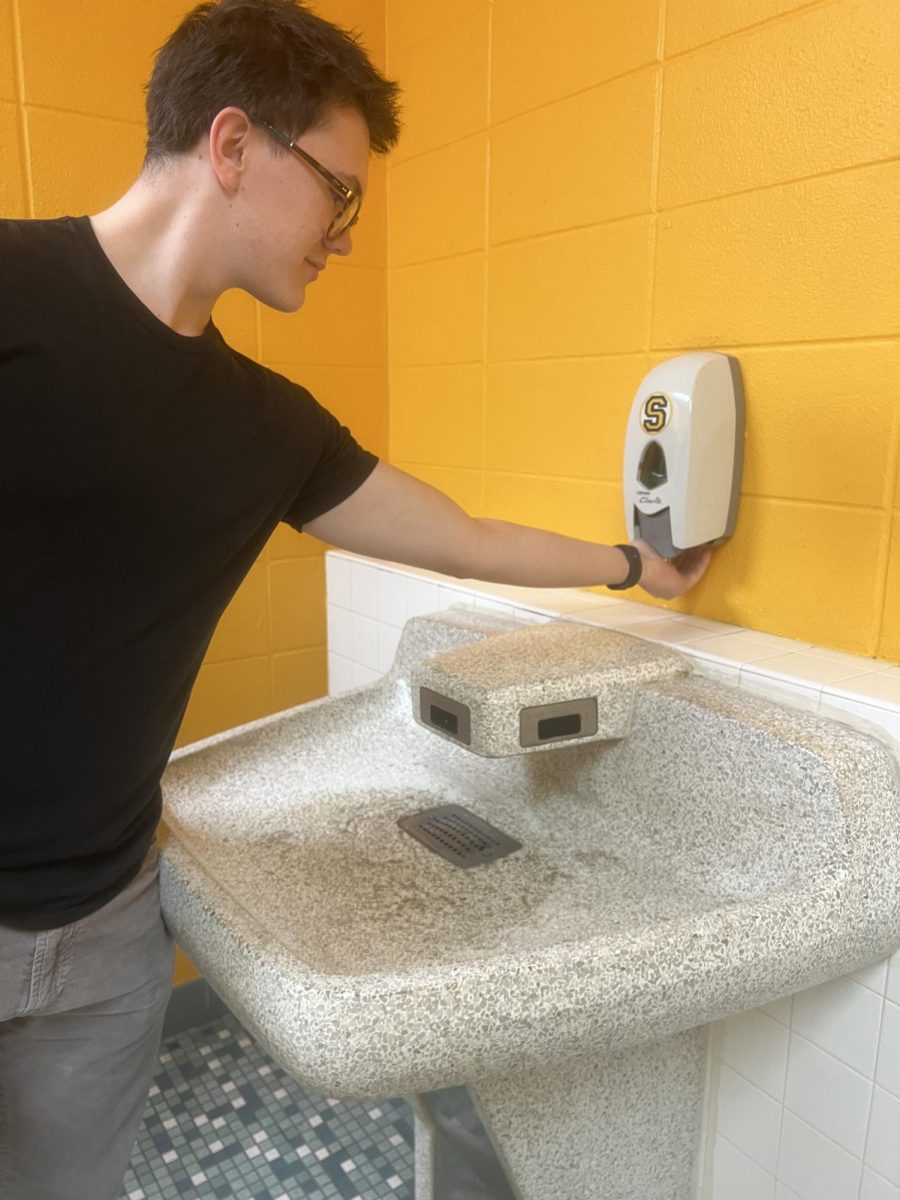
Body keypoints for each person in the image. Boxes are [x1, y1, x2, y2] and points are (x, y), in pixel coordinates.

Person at [0, 1, 710, 1196]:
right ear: (232, 146)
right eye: (340, 194)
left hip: (109, 932)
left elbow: (466, 537)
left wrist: (638, 566)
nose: (344, 238)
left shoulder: (264, 429)